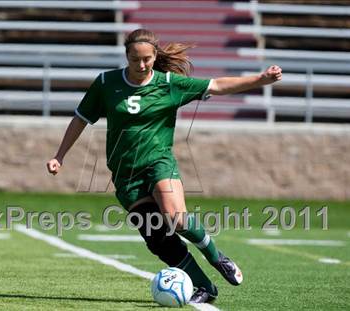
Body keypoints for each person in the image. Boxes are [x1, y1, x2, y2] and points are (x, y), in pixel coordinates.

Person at [47, 29, 282, 304]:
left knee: (176, 218)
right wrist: (59, 155)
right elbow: (80, 118)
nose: (142, 65)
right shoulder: (106, 83)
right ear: (127, 57)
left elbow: (217, 85)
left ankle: (216, 256)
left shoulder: (169, 83)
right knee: (157, 238)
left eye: (147, 59)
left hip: (158, 163)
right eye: (136, 60)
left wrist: (261, 79)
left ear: (155, 56)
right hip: (125, 175)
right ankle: (206, 287)